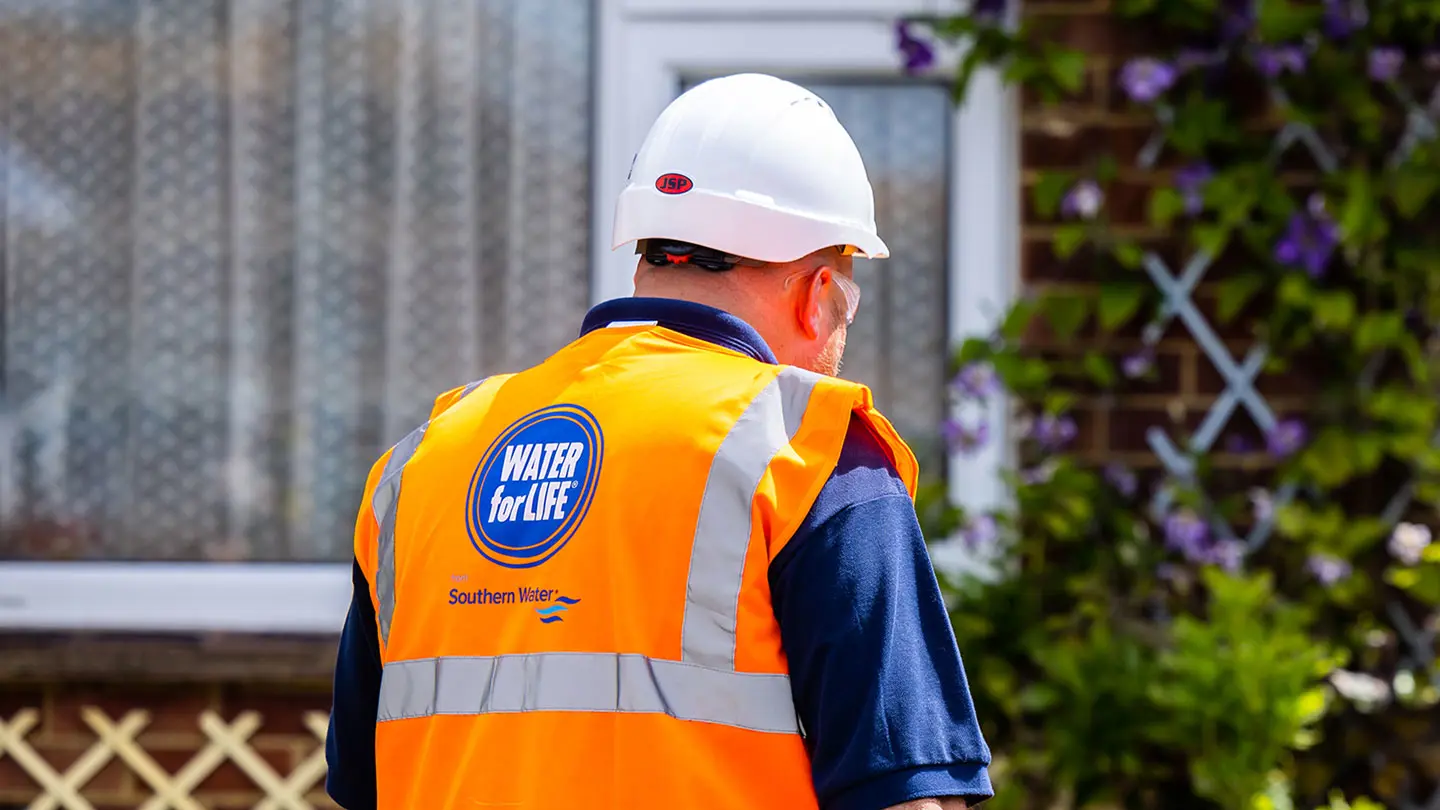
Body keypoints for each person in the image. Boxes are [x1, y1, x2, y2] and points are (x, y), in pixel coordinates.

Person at [325, 73, 992, 810]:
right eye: (846, 307)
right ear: (816, 296)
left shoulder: (423, 462)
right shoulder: (809, 453)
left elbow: (365, 781)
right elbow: (903, 796)